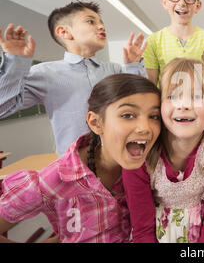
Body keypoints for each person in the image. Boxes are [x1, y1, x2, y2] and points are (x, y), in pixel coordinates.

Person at [0, 74, 161, 243]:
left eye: (154, 116)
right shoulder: (54, 179)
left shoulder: (156, 168)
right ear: (96, 123)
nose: (145, 128)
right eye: (128, 115)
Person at [0, 1, 147, 156]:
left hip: (118, 161)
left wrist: (133, 66)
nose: (101, 27)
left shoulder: (114, 70)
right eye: (91, 21)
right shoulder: (45, 73)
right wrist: (15, 64)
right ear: (64, 32)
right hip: (74, 166)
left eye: (102, 23)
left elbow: (141, 105)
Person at [122, 58, 204, 243]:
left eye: (196, 97)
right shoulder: (140, 149)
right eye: (173, 96)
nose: (183, 105)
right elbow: (142, 226)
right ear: (159, 107)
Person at [143, 0, 204, 85]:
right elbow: (150, 87)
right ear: (164, 2)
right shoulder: (152, 42)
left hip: (201, 102)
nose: (181, 3)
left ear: (198, 6)